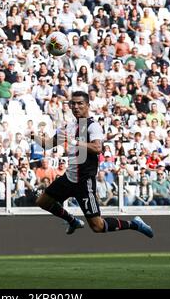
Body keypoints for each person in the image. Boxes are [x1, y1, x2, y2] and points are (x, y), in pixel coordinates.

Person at [34, 91, 153, 237]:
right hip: (68, 178)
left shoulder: (92, 126)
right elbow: (47, 145)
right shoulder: (68, 127)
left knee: (97, 226)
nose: (76, 107)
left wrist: (73, 141)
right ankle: (72, 221)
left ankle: (134, 224)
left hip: (84, 182)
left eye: (80, 103)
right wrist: (33, 135)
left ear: (87, 106)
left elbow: (98, 148)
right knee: (43, 201)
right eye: (73, 104)